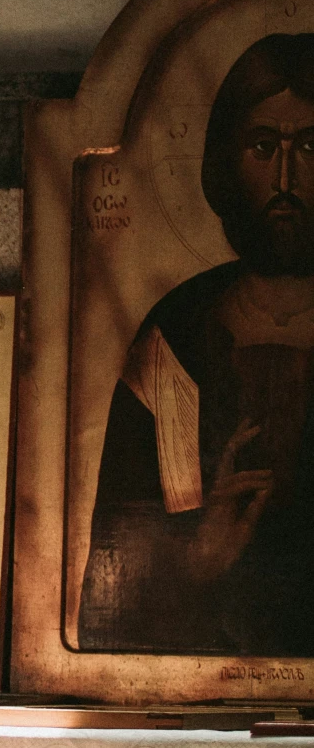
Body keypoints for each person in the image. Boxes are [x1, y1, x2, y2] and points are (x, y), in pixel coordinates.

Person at [80, 33, 314, 656]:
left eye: (310, 145)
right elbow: (113, 580)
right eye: (264, 147)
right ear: (225, 161)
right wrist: (196, 558)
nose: (286, 176)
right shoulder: (176, 339)